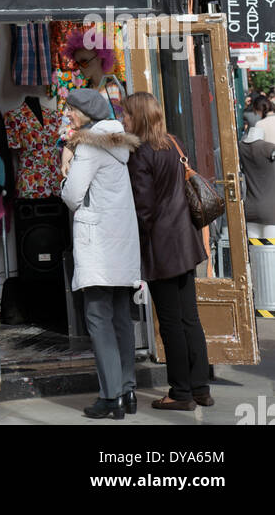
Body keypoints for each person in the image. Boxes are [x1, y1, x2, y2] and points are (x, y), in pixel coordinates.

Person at [123, 92, 211, 410]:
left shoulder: (140, 153)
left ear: (140, 118)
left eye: (128, 115)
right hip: (185, 241)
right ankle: (200, 387)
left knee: (171, 323)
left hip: (162, 247)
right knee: (190, 318)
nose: (124, 119)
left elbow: (143, 207)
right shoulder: (173, 144)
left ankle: (180, 393)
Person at [60, 88, 141, 420]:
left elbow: (73, 195)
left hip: (99, 243)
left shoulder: (90, 147)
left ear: (83, 115)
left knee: (97, 318)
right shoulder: (119, 142)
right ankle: (128, 390)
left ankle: (111, 398)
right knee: (121, 318)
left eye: (70, 112)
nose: (67, 117)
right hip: (121, 240)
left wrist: (65, 173)